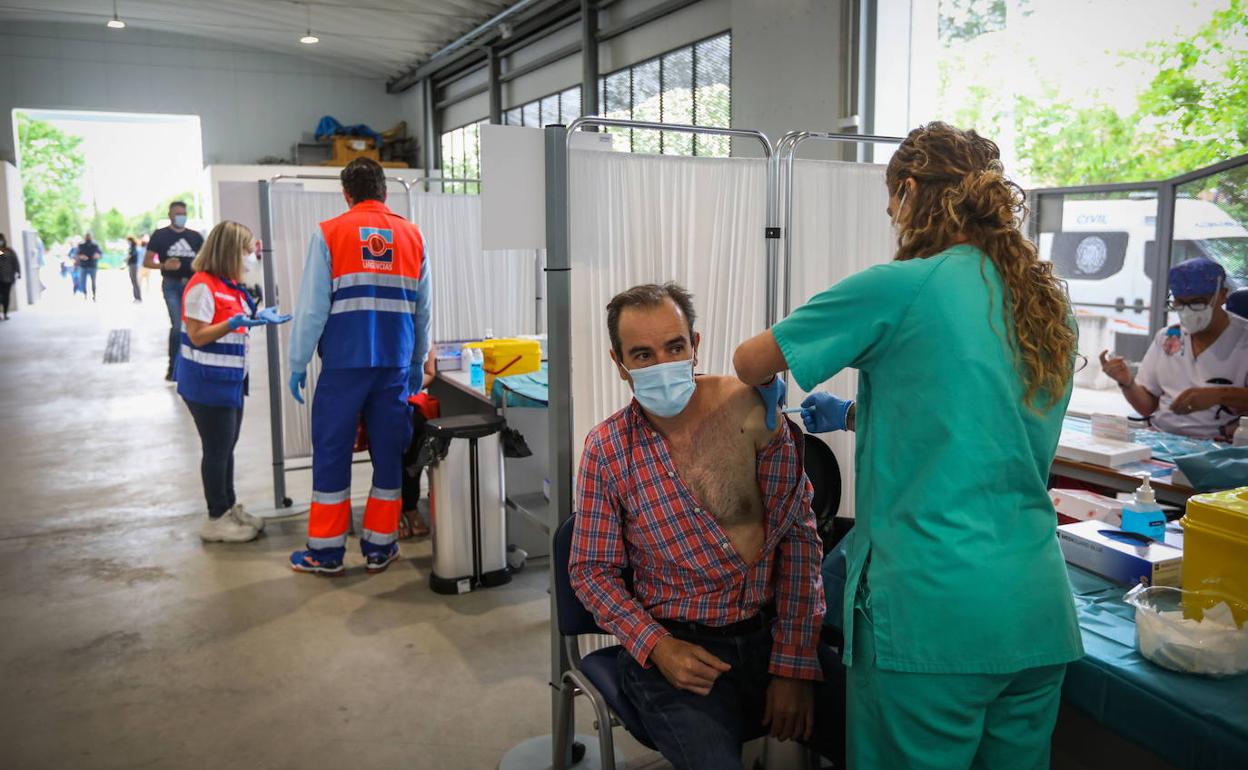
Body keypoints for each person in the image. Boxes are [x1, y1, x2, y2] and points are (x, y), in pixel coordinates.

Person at [733, 122, 1083, 770]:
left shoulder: (902, 285)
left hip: (933, 617)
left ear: (912, 189)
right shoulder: (1046, 305)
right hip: (1035, 611)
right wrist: (857, 413)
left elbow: (751, 359)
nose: (891, 215)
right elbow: (971, 421)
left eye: (892, 199)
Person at [569, 283, 828, 770]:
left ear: (696, 345)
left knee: (881, 738)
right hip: (676, 650)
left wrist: (794, 663)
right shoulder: (608, 450)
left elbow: (798, 539)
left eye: (674, 347)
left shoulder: (751, 413)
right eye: (642, 355)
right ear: (619, 363)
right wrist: (657, 645)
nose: (663, 365)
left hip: (773, 633)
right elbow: (591, 572)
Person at [287, 158, 432, 576]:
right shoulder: (412, 235)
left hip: (344, 366)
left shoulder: (330, 233)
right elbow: (423, 311)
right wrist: (417, 360)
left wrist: (298, 362)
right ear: (385, 191)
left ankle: (327, 553)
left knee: (332, 453)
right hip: (393, 365)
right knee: (388, 455)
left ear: (346, 194)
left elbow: (313, 308)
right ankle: (380, 548)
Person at [177, 220, 291, 542]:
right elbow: (198, 336)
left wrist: (256, 318)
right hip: (206, 383)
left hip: (229, 381)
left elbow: (235, 320)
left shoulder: (227, 284)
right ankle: (215, 518)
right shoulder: (202, 285)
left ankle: (228, 508)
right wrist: (231, 323)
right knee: (216, 450)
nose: (252, 254)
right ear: (230, 251)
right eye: (247, 248)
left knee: (226, 449)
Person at [1099, 257, 1248, 440]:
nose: (1187, 311)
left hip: (1221, 447)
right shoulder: (1168, 338)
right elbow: (1147, 407)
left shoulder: (1244, 339)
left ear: (1223, 295)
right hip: (1163, 440)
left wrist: (1220, 395)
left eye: (1197, 302)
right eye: (1179, 303)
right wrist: (1127, 382)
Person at [145, 202, 204, 381]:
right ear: (170, 215)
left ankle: (192, 367)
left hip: (192, 285)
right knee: (178, 326)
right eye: (178, 213)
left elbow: (205, 259)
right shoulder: (160, 235)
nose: (181, 217)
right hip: (171, 285)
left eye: (184, 213)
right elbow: (147, 262)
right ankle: (173, 368)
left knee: (195, 326)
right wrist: (164, 265)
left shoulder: (195, 237)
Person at [76, 233, 101, 301]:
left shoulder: (95, 245)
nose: (88, 238)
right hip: (83, 266)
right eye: (86, 237)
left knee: (93, 282)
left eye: (89, 237)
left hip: (92, 266)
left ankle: (94, 294)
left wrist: (97, 255)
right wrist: (81, 257)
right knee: (83, 281)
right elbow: (77, 254)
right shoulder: (81, 245)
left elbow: (100, 254)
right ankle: (85, 294)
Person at [0, 233, 19, 320]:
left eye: (1, 239)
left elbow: (15, 262)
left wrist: (18, 272)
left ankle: (5, 313)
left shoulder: (9, 251)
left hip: (8, 278)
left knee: (6, 296)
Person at [126, 236, 142, 302]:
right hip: (131, 265)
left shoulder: (133, 247)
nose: (127, 242)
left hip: (133, 266)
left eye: (128, 241)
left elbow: (131, 255)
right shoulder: (131, 247)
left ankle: (138, 297)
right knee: (133, 281)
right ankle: (136, 297)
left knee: (135, 281)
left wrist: (126, 259)